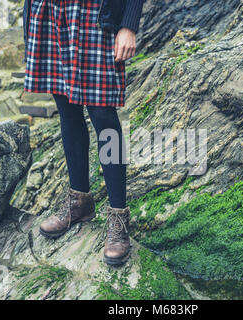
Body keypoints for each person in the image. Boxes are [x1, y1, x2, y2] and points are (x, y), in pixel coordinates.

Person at [22, 0, 144, 266]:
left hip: (93, 12)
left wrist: (129, 25)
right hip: (50, 11)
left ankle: (118, 220)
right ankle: (80, 202)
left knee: (103, 116)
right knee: (67, 109)